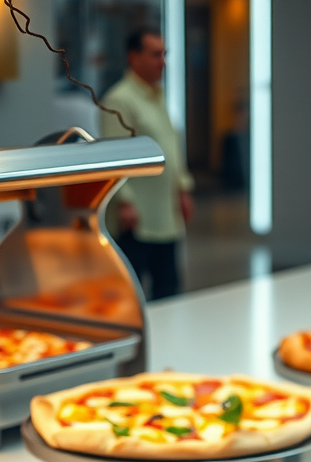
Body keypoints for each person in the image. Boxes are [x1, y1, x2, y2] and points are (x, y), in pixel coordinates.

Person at [100, 27, 194, 301]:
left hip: (166, 214)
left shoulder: (158, 96)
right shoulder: (119, 100)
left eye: (164, 54)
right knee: (134, 293)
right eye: (155, 55)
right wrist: (125, 202)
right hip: (137, 219)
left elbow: (172, 145)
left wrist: (183, 188)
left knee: (169, 288)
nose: (162, 62)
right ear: (134, 58)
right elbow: (113, 157)